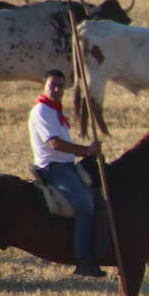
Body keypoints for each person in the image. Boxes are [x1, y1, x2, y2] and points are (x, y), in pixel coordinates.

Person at [30, 69, 105, 277]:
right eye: (52, 85)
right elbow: (55, 144)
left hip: (68, 167)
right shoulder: (42, 111)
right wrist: (87, 151)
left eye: (61, 86)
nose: (56, 89)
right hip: (53, 168)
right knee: (84, 205)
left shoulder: (55, 110)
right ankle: (83, 260)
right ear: (43, 86)